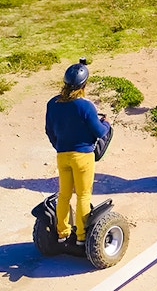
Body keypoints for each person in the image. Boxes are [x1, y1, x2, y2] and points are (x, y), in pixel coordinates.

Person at [45, 60, 110, 245]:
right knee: (83, 195)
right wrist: (106, 123)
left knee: (64, 195)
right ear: (84, 84)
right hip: (83, 156)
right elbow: (99, 132)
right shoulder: (85, 106)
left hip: (62, 155)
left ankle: (63, 233)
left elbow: (49, 130)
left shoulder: (52, 103)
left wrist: (59, 146)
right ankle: (82, 237)